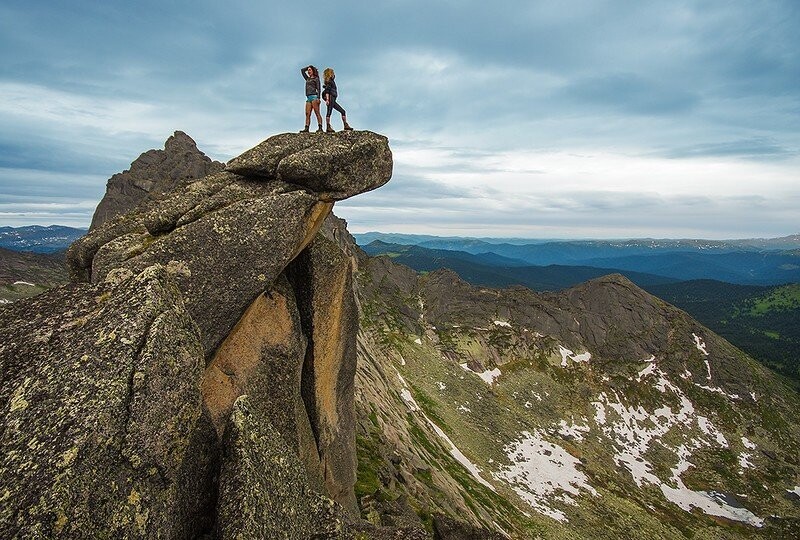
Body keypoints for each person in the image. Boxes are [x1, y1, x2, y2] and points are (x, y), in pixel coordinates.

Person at [321, 67, 353, 133]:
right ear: (330, 73)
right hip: (330, 97)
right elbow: (327, 90)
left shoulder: (330, 80)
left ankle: (345, 125)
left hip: (332, 97)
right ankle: (328, 127)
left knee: (342, 111)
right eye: (332, 73)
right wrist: (327, 99)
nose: (333, 74)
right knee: (329, 111)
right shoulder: (329, 81)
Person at [300, 65, 323, 133]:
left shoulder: (316, 78)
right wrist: (307, 67)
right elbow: (302, 71)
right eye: (308, 70)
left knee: (317, 112)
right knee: (307, 113)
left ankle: (320, 127)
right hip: (308, 98)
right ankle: (306, 128)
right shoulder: (307, 79)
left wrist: (318, 98)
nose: (308, 71)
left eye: (310, 70)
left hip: (314, 97)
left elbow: (319, 89)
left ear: (313, 71)